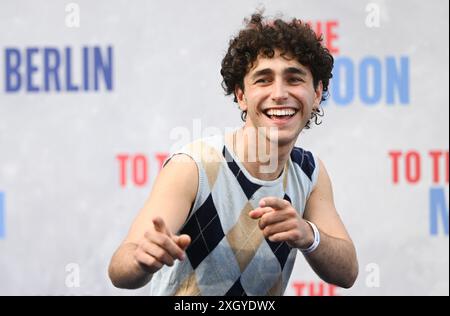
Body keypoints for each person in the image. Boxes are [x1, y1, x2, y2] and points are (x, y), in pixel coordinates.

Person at [108, 12, 358, 296]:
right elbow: (120, 269)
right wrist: (143, 258)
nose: (279, 93)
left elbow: (348, 272)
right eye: (263, 80)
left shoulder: (309, 172)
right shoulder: (193, 166)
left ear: (316, 93)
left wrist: (308, 235)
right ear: (241, 95)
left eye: (294, 79)